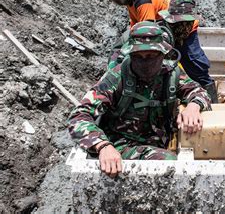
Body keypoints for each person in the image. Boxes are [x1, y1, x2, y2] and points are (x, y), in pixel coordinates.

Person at [68, 22, 211, 177]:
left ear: (163, 54)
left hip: (159, 140)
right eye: (138, 56)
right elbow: (79, 116)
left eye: (150, 56)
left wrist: (193, 106)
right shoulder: (117, 77)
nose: (145, 62)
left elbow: (198, 91)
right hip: (122, 146)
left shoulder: (171, 73)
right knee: (167, 162)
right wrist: (103, 146)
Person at [158, 0, 219, 104]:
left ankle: (212, 103)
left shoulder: (182, 30)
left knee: (197, 64)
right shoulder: (162, 38)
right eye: (187, 24)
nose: (189, 26)